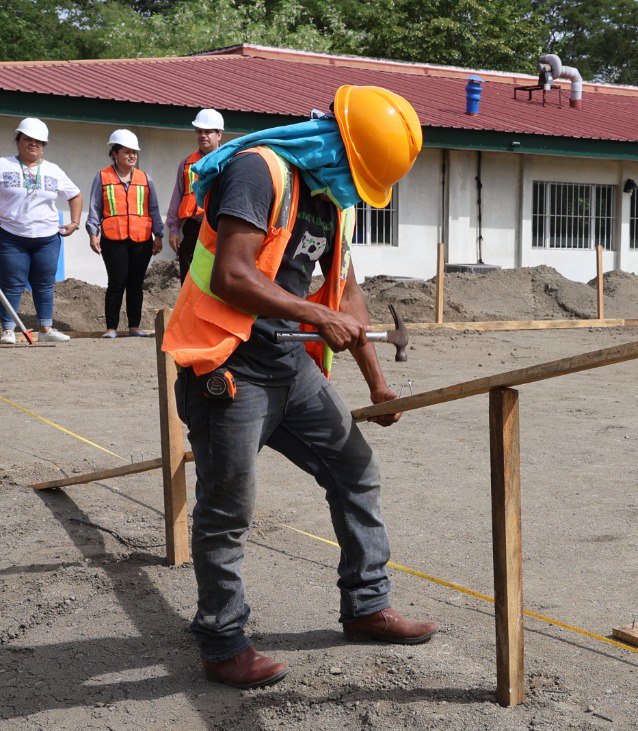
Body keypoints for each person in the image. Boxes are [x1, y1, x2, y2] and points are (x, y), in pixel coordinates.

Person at [162, 85, 433, 690]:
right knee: (227, 509)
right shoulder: (259, 172)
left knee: (355, 471)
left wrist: (378, 384)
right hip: (228, 364)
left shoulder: (334, 201)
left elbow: (346, 294)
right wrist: (315, 315)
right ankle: (222, 641)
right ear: (338, 146)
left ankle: (366, 606)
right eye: (359, 175)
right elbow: (232, 274)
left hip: (290, 368)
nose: (356, 188)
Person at [0, 118, 81, 345]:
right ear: (18, 141)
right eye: (28, 139)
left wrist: (75, 222)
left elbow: (75, 195)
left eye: (38, 141)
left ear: (44, 145)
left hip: (47, 238)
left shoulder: (54, 170)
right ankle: (8, 330)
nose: (32, 144)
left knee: (44, 284)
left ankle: (46, 328)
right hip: (11, 236)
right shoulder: (3, 165)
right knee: (12, 283)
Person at [86, 129, 163, 337]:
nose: (132, 156)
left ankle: (134, 327)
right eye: (127, 152)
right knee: (116, 282)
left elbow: (153, 208)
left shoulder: (145, 178)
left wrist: (159, 235)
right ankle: (111, 327)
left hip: (141, 239)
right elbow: (95, 207)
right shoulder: (102, 177)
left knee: (136, 283)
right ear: (115, 153)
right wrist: (93, 233)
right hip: (113, 239)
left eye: (134, 152)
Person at [166, 109, 223, 284]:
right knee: (188, 269)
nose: (203, 135)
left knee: (216, 272)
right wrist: (173, 229)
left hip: (218, 226)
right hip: (193, 226)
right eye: (199, 131)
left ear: (219, 134)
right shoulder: (186, 163)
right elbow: (178, 196)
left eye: (208, 131)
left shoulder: (229, 160)